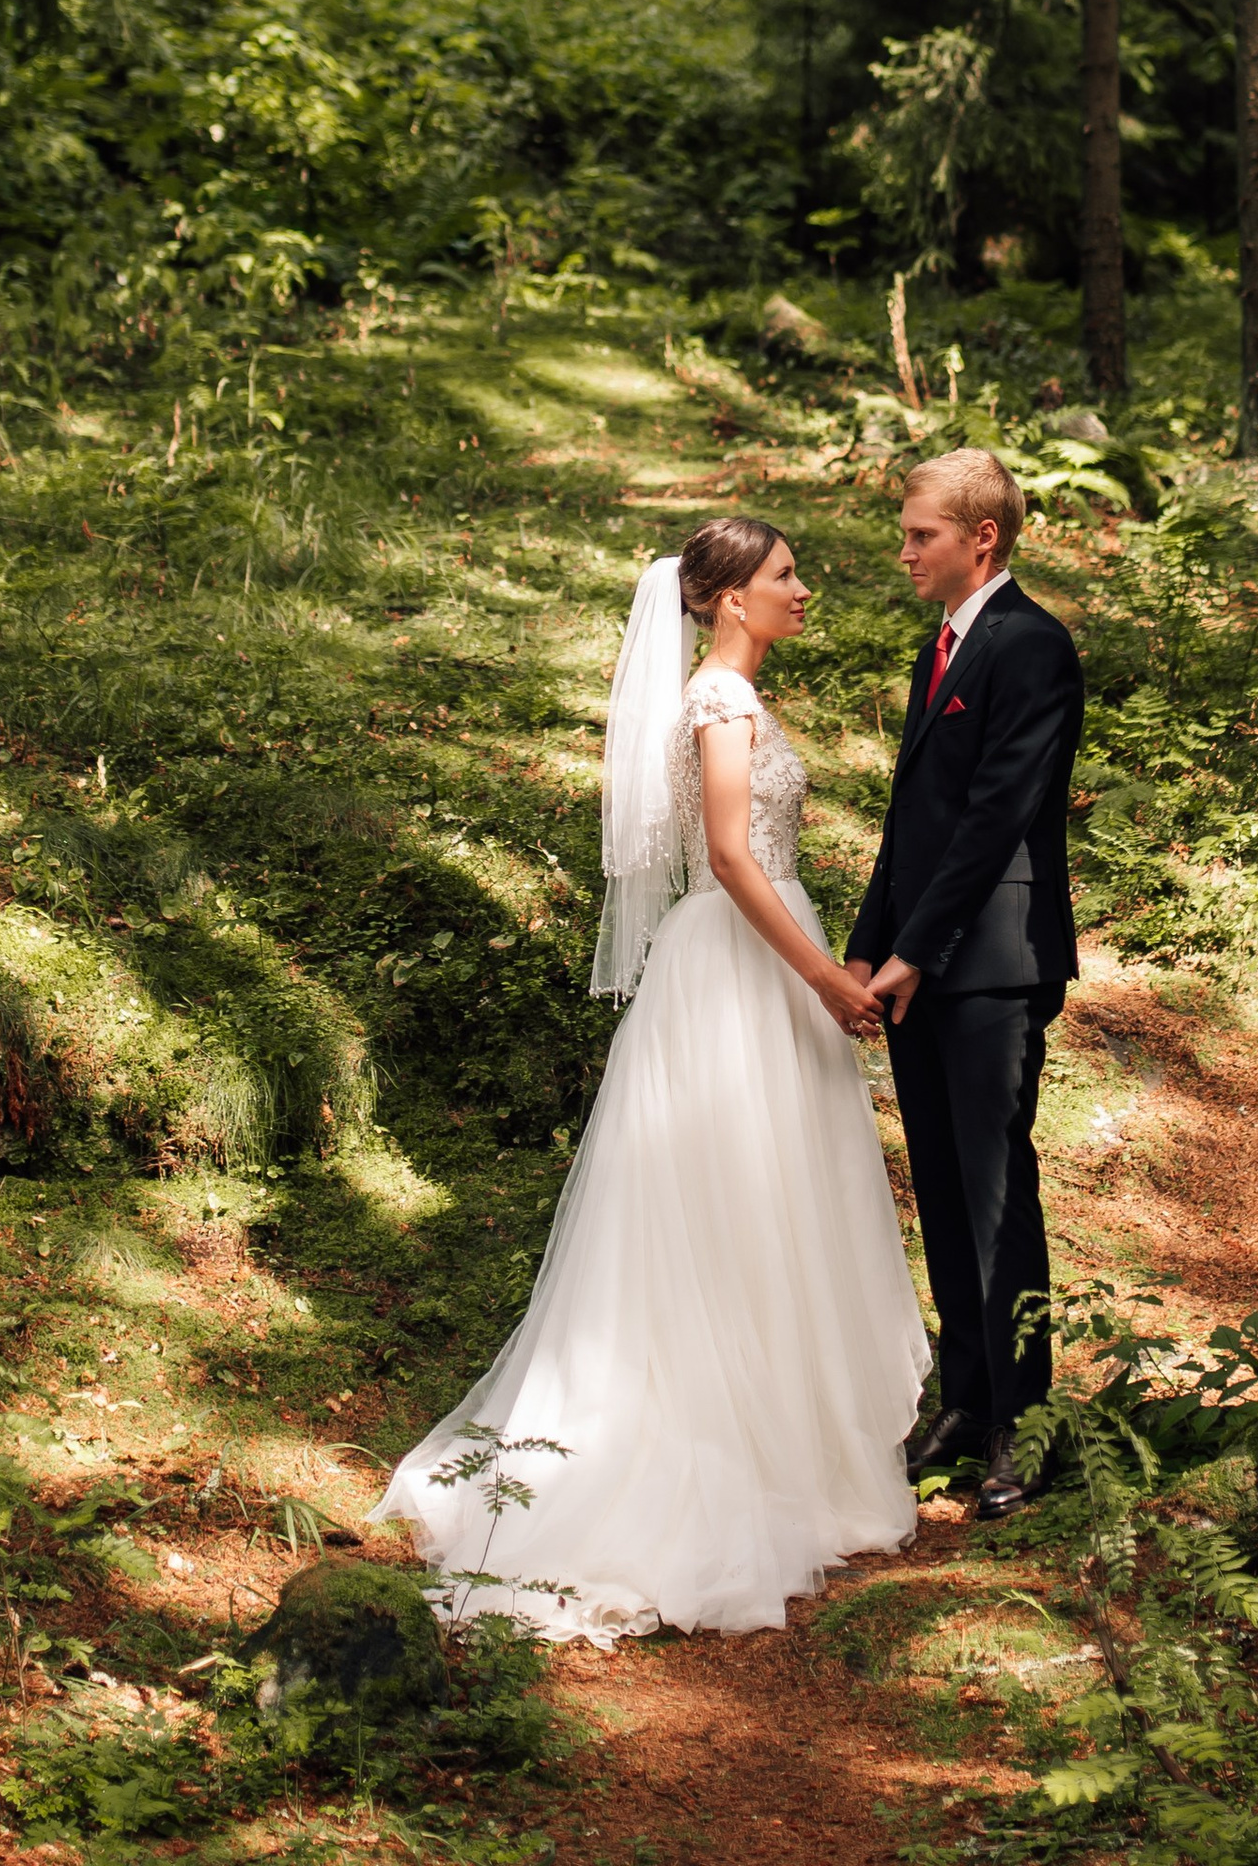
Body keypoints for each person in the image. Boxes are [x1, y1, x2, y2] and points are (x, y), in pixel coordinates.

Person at [376, 515, 930, 1641]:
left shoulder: (732, 694)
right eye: (784, 574)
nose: (801, 588)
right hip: (739, 959)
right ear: (729, 597)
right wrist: (826, 975)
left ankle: (790, 1434)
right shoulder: (719, 703)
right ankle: (724, 1450)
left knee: (776, 1199)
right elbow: (729, 856)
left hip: (758, 954)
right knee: (736, 1201)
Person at [846, 446, 1083, 1522]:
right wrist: (867, 943)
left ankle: (1025, 1425)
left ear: (981, 535)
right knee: (939, 1186)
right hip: (919, 960)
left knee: (995, 1195)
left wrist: (921, 945)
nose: (905, 550)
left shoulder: (1030, 644)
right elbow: (914, 817)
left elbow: (996, 814)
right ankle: (966, 1395)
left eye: (920, 533)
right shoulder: (938, 644)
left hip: (990, 963)